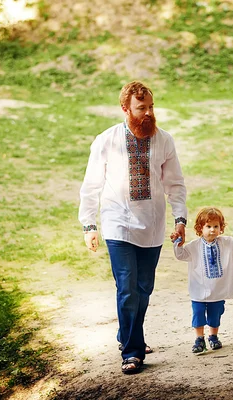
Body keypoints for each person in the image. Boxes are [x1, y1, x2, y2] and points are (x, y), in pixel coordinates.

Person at [78, 81, 187, 374]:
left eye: (151, 106)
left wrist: (180, 219)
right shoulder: (106, 140)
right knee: (127, 288)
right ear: (125, 109)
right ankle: (133, 351)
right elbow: (91, 186)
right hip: (118, 224)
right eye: (142, 108)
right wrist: (89, 224)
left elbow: (175, 185)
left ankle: (126, 335)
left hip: (151, 225)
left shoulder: (164, 140)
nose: (148, 112)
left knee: (144, 289)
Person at [170, 207, 233, 353]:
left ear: (221, 227)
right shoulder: (194, 246)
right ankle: (199, 339)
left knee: (215, 315)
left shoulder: (226, 243)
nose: (212, 230)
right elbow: (181, 255)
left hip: (218, 290)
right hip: (198, 290)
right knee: (198, 314)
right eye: (208, 226)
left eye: (216, 226)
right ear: (200, 228)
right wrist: (177, 244)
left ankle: (213, 336)